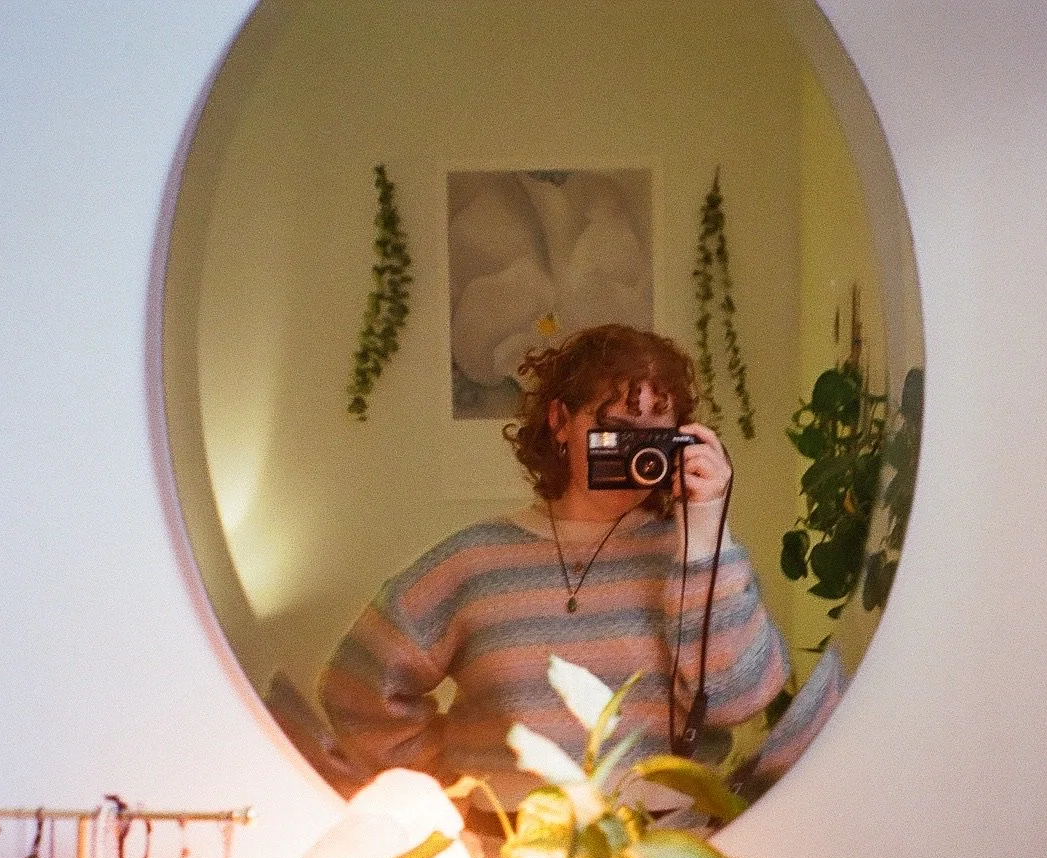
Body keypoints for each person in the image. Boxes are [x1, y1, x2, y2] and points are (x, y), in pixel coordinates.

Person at [310, 324, 814, 810]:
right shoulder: (475, 560)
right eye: (615, 431)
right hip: (508, 856)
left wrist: (705, 530)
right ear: (559, 423)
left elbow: (737, 701)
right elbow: (355, 689)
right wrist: (454, 785)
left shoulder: (695, 556)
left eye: (653, 437)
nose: (633, 452)